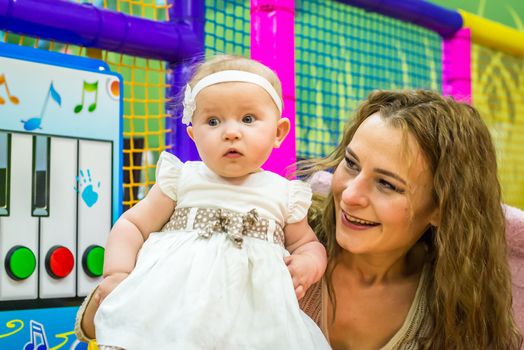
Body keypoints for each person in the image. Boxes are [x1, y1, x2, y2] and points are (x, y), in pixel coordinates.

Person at [75, 55, 329, 350]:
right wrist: (117, 273)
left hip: (252, 323)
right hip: (173, 309)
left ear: (278, 133)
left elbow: (307, 244)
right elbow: (133, 224)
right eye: (213, 121)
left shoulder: (284, 194)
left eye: (248, 119)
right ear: (193, 134)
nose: (231, 132)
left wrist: (310, 262)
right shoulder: (182, 179)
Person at [298, 89, 523, 349]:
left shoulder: (457, 309)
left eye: (386, 184)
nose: (350, 195)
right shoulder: (283, 244)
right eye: (351, 163)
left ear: (440, 208)